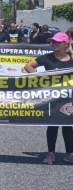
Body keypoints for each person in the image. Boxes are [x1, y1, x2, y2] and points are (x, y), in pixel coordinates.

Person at [24, 32, 73, 165]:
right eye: (53, 42)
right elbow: (28, 66)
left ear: (65, 44)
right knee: (52, 125)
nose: (54, 44)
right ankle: (51, 153)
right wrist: (41, 79)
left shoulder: (72, 59)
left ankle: (70, 153)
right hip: (52, 99)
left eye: (57, 42)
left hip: (68, 99)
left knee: (68, 126)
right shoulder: (47, 58)